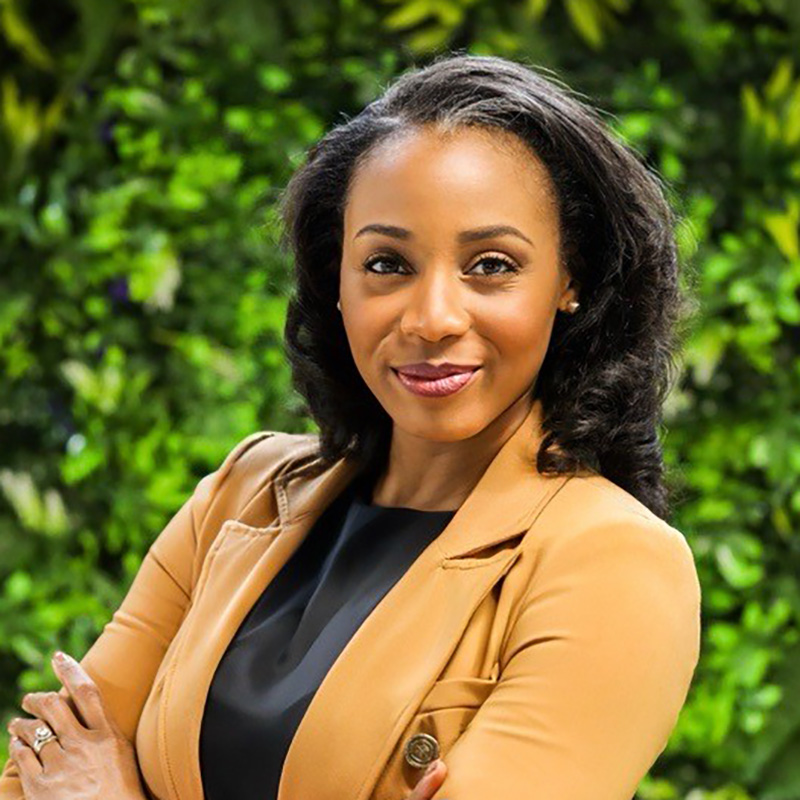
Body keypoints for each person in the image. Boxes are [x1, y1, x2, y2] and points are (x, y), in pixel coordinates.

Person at [0, 52, 702, 800]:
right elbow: (31, 776)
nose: (433, 318)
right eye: (387, 264)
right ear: (336, 279)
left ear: (572, 281)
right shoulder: (245, 493)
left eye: (492, 264)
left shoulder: (614, 563)